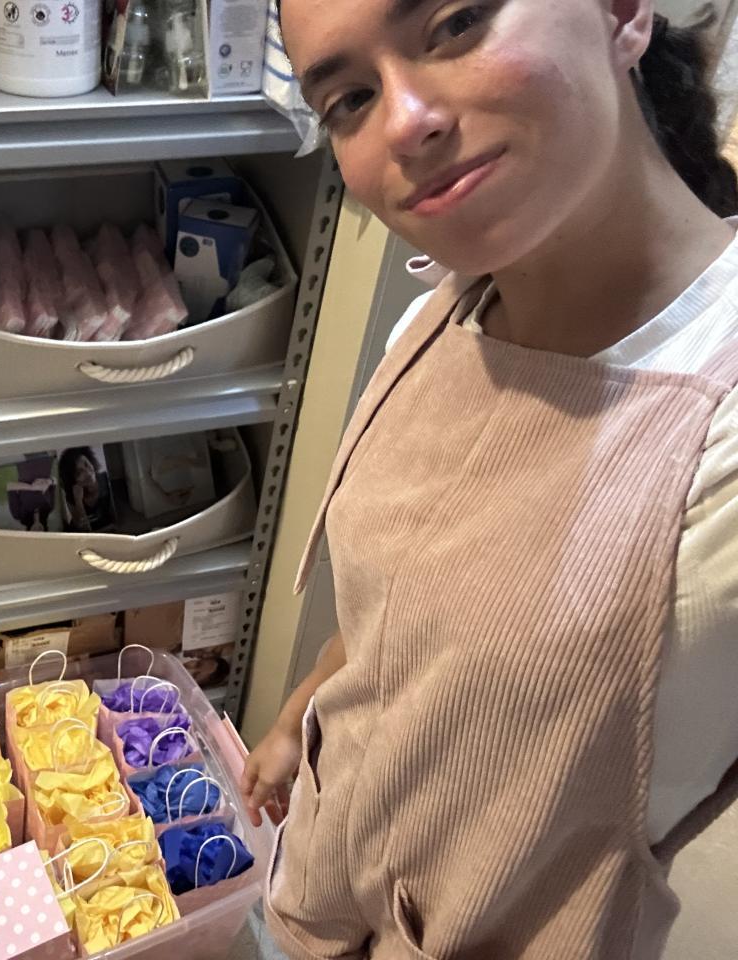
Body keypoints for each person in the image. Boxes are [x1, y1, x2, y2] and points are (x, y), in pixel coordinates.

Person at [243, 2, 738, 957]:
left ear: (621, 12)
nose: (405, 122)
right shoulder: (432, 326)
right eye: (350, 100)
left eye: (458, 22)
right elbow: (403, 615)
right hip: (310, 900)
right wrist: (301, 717)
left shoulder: (718, 447)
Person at [59, 446, 116, 532]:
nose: (88, 472)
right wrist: (78, 502)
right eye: (79, 472)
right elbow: (85, 531)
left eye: (86, 464)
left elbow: (117, 522)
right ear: (73, 480)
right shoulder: (71, 496)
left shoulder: (106, 480)